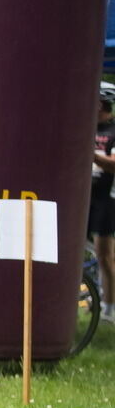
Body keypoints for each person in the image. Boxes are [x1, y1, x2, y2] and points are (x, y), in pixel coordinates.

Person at [91, 82, 115, 323]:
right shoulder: (86, 126)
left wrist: (92, 154)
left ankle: (109, 308)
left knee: (105, 254)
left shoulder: (113, 130)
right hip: (84, 195)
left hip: (106, 199)